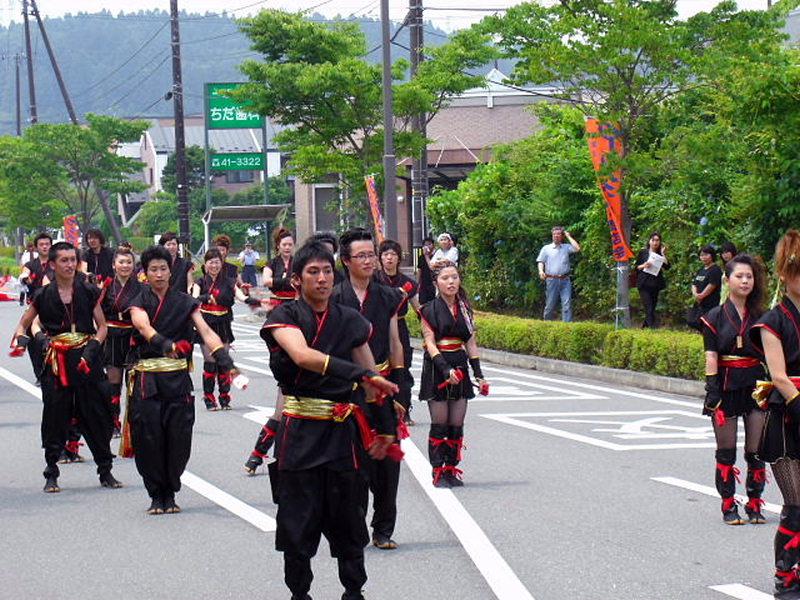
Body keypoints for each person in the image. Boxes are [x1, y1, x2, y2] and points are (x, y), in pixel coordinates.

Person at [261, 239, 397, 600]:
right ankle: (299, 594)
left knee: (350, 520)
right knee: (297, 524)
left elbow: (372, 378)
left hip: (342, 438)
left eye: (326, 271)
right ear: (297, 279)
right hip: (300, 433)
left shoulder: (349, 319)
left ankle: (354, 592)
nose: (321, 279)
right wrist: (359, 376)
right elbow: (303, 356)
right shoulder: (283, 317)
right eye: (312, 272)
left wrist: (385, 428)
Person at [128, 245, 237, 515]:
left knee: (178, 436)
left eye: (163, 268)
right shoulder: (138, 299)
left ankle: (171, 490)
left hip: (177, 379)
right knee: (149, 437)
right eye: (153, 269)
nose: (159, 274)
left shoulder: (185, 302)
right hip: (148, 380)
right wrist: (163, 343)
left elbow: (206, 331)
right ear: (145, 273)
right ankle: (156, 494)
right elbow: (142, 325)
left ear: (171, 270)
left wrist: (224, 358)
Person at [10, 241, 121, 493]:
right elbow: (24, 325)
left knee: (96, 413)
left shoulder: (88, 290)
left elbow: (102, 326)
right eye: (64, 260)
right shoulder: (43, 295)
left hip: (86, 360)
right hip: (57, 362)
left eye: (73, 259)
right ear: (52, 264)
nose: (70, 265)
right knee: (55, 415)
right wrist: (36, 339)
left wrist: (93, 348)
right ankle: (51, 473)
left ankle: (106, 471)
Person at [333, 228, 406, 551]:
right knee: (354, 463)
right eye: (361, 255)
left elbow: (394, 342)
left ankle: (384, 528)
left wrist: (400, 389)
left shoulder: (388, 296)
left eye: (371, 254)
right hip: (348, 391)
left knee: (388, 462)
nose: (369, 260)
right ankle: (355, 526)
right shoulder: (334, 298)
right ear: (346, 261)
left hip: (383, 384)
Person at [749, 230, 800, 594]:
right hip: (787, 417)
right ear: (784, 273)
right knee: (796, 505)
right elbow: (779, 376)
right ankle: (784, 577)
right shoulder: (772, 321)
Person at [700, 255, 766, 525]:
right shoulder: (713, 317)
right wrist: (712, 390)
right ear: (727, 281)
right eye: (739, 276)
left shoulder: (763, 316)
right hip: (726, 386)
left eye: (749, 276)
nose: (745, 281)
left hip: (756, 385)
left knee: (756, 449)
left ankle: (755, 503)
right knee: (726, 450)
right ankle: (728, 505)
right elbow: (711, 357)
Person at [419, 260, 489, 487]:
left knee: (456, 423)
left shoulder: (466, 309)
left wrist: (479, 375)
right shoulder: (428, 309)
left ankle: (451, 469)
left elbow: (471, 343)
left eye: (455, 277)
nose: (451, 282)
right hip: (438, 367)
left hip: (459, 365)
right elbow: (429, 342)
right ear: (436, 282)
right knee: (439, 422)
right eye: (445, 278)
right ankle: (438, 471)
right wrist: (444, 369)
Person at [193, 248, 256, 411]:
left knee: (223, 362)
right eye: (211, 262)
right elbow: (193, 299)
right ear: (205, 264)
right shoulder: (200, 282)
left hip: (223, 323)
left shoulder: (229, 281)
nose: (214, 265)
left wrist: (251, 300)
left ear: (221, 263)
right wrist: (204, 297)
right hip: (206, 324)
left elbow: (241, 297)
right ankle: (209, 398)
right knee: (210, 362)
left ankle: (224, 397)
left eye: (217, 262)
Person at [377, 239, 420, 425]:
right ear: (380, 258)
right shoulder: (374, 279)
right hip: (379, 327)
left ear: (398, 258)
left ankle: (405, 408)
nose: (389, 258)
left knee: (403, 369)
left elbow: (419, 309)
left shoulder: (408, 282)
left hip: (400, 328)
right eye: (385, 254)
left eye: (393, 254)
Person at [101, 246, 142, 437]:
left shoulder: (142, 287)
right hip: (112, 336)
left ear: (134, 265)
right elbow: (97, 310)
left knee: (133, 384)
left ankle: (132, 425)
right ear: (114, 265)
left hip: (133, 336)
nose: (125, 266)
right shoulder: (106, 286)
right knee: (113, 381)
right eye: (121, 262)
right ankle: (113, 422)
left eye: (128, 262)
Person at [19, 233, 54, 383]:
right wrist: (24, 278)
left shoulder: (57, 263)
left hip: (54, 307)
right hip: (35, 308)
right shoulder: (31, 265)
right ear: (36, 247)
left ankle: (52, 371)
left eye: (47, 244)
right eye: (42, 244)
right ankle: (39, 374)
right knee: (32, 342)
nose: (45, 247)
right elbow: (24, 274)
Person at [536, 226, 581, 322]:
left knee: (567, 304)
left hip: (565, 280)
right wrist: (541, 271)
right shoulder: (546, 248)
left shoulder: (566, 247)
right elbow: (541, 261)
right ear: (552, 235)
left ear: (561, 236)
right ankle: (547, 324)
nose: (556, 236)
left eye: (558, 234)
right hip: (551, 280)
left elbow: (577, 248)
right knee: (550, 304)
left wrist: (568, 236)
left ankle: (567, 327)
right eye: (554, 234)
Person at [634, 232, 669, 328]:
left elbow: (667, 266)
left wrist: (663, 254)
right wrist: (644, 265)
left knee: (652, 308)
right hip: (644, 284)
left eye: (657, 240)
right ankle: (652, 329)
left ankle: (644, 327)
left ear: (660, 242)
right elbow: (636, 267)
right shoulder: (643, 252)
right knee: (648, 307)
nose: (655, 242)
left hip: (655, 284)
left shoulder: (660, 255)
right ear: (649, 241)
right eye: (653, 240)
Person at [689, 245, 723, 330]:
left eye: (706, 254)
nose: (703, 257)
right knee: (693, 321)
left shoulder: (715, 269)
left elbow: (712, 285)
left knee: (707, 325)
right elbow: (694, 284)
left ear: (712, 255)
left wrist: (702, 295)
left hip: (711, 304)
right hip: (699, 302)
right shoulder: (701, 270)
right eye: (701, 255)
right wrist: (695, 294)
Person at [417, 237, 436, 305]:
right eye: (425, 245)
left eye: (429, 244)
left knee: (433, 302)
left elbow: (432, 267)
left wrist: (426, 255)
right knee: (423, 303)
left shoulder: (436, 256)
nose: (427, 246)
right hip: (424, 284)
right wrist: (418, 283)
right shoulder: (421, 257)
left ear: (434, 245)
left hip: (433, 283)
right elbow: (419, 270)